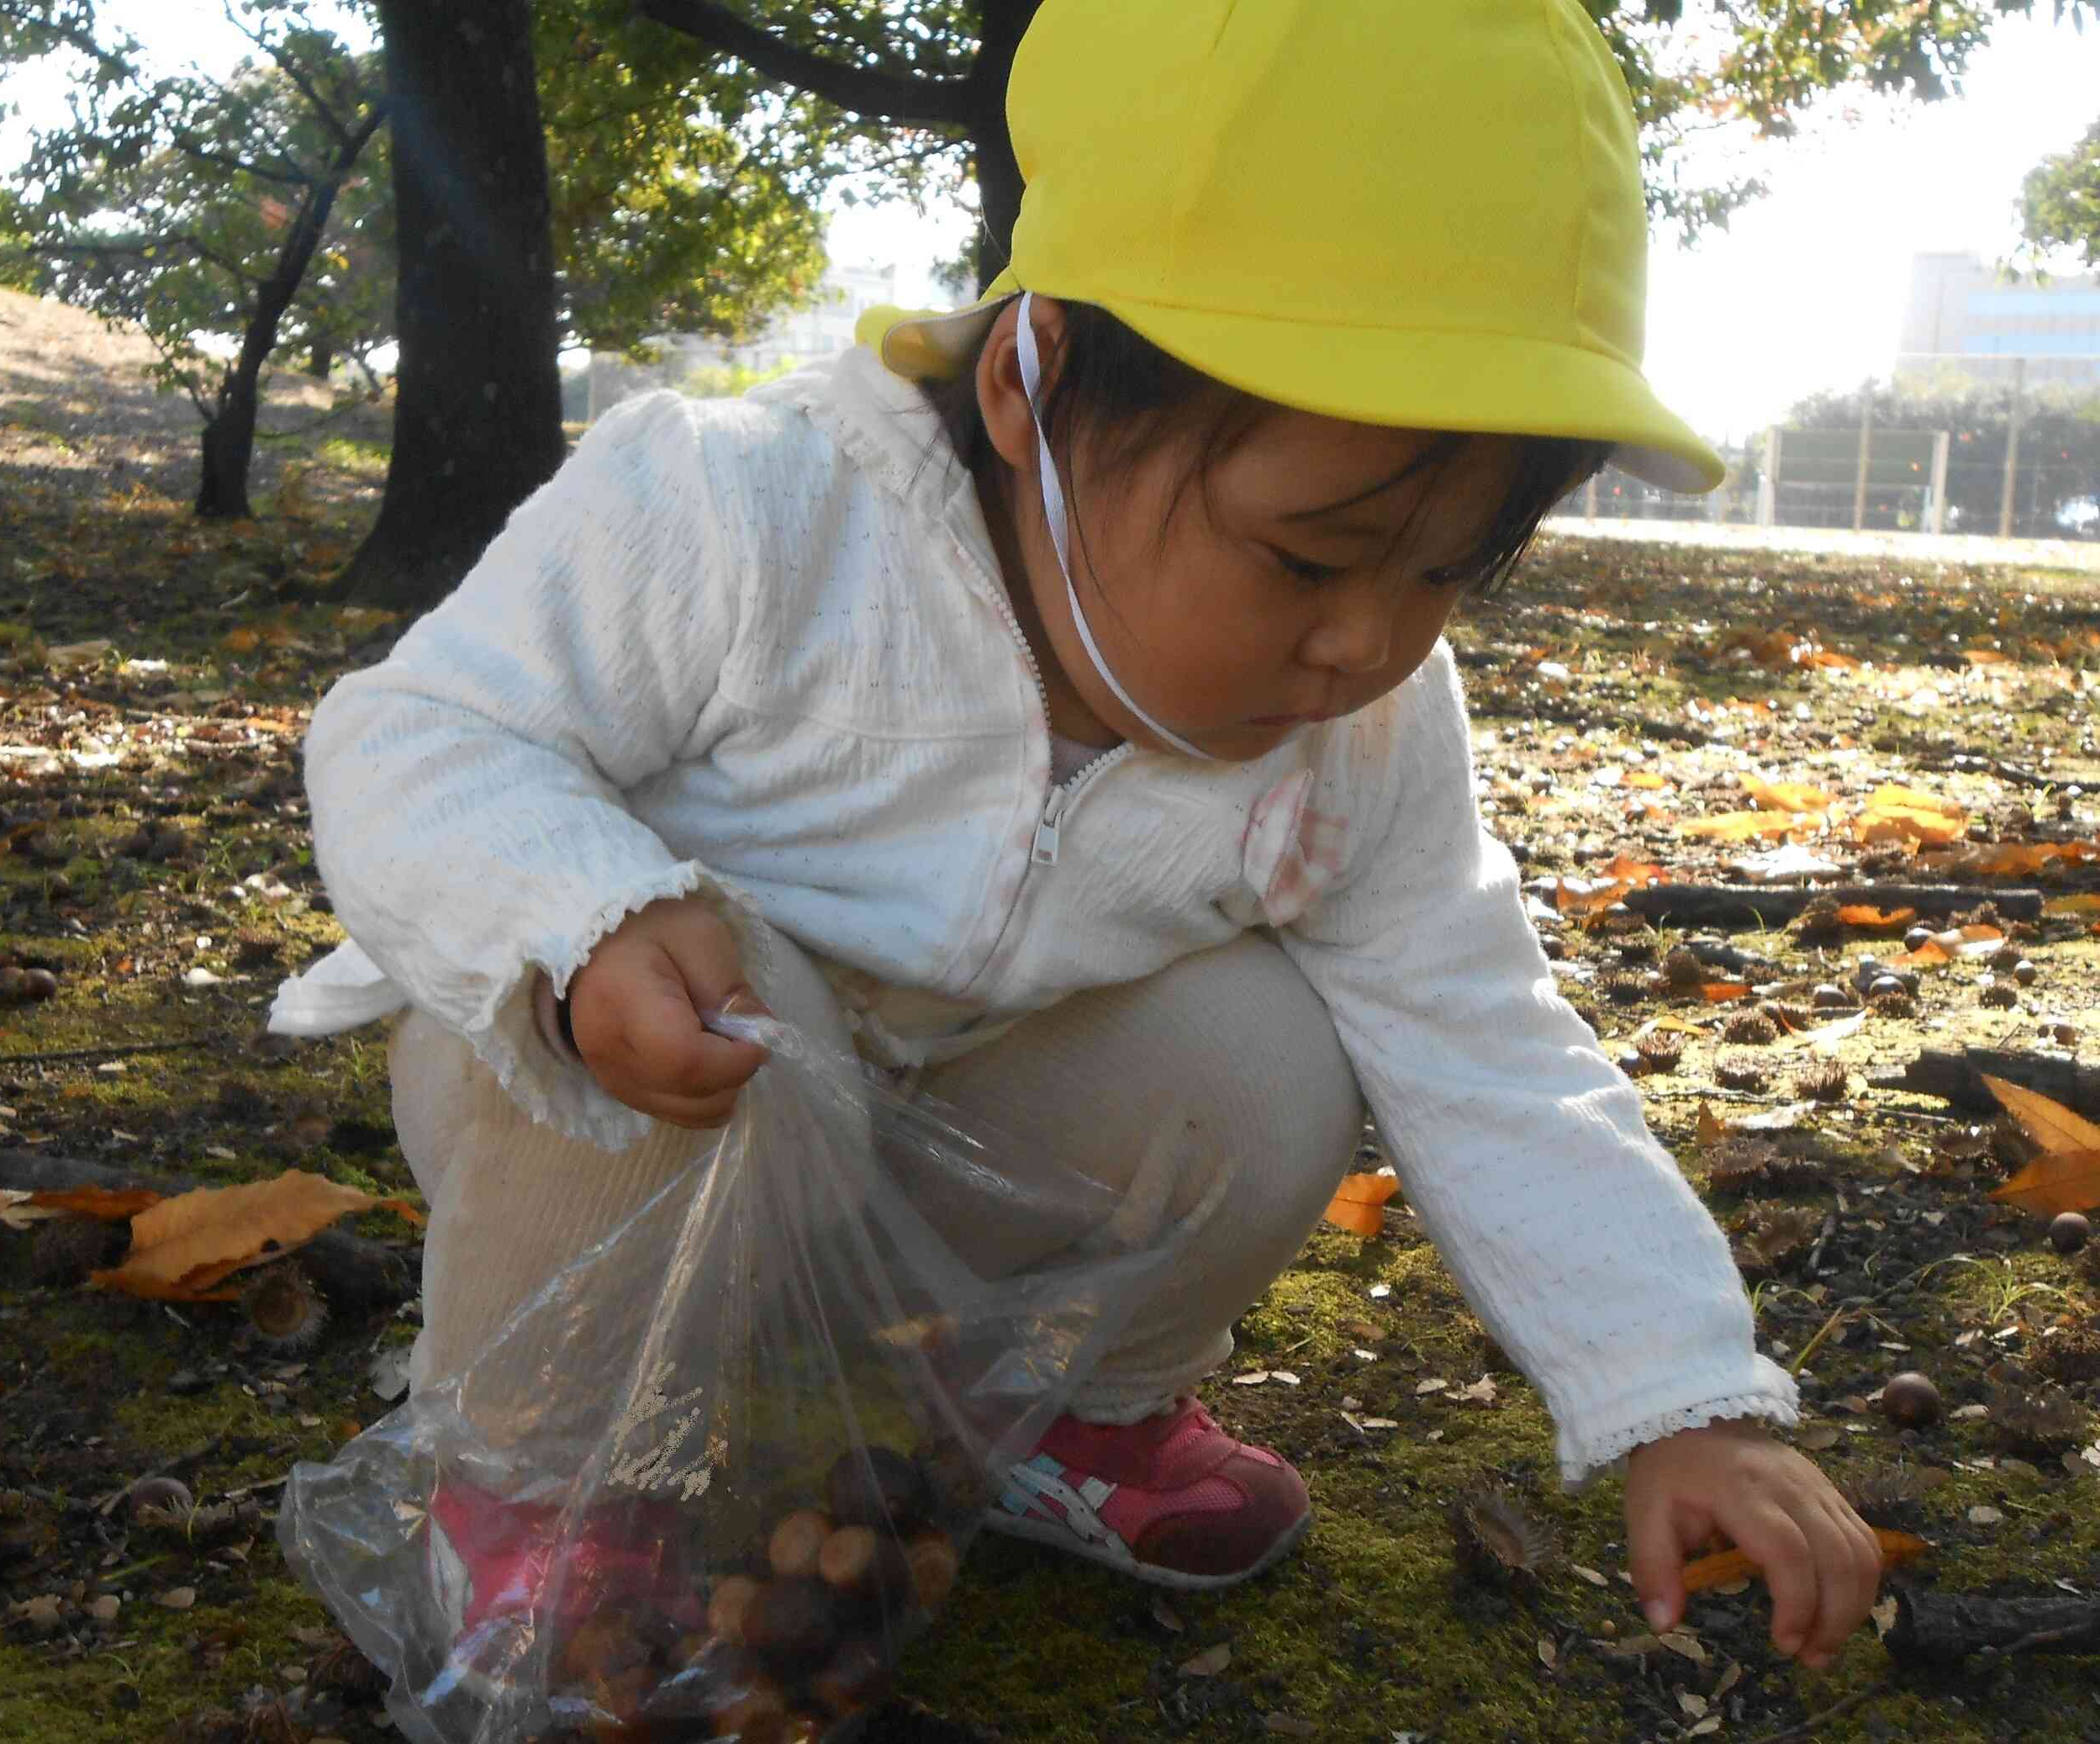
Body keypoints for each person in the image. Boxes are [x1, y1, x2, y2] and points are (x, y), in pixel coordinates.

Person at [272, 0, 1884, 1689]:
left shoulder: (1372, 728)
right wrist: (580, 916)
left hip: (970, 1139)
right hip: (642, 1116)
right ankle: (542, 1491)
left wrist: (1685, 1391)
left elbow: (1484, 1030)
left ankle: (1054, 1412)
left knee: (1273, 1055)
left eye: (1445, 571)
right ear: (1030, 379)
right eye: (1308, 558)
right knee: (718, 1002)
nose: (1367, 642)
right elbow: (416, 734)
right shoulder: (739, 510)